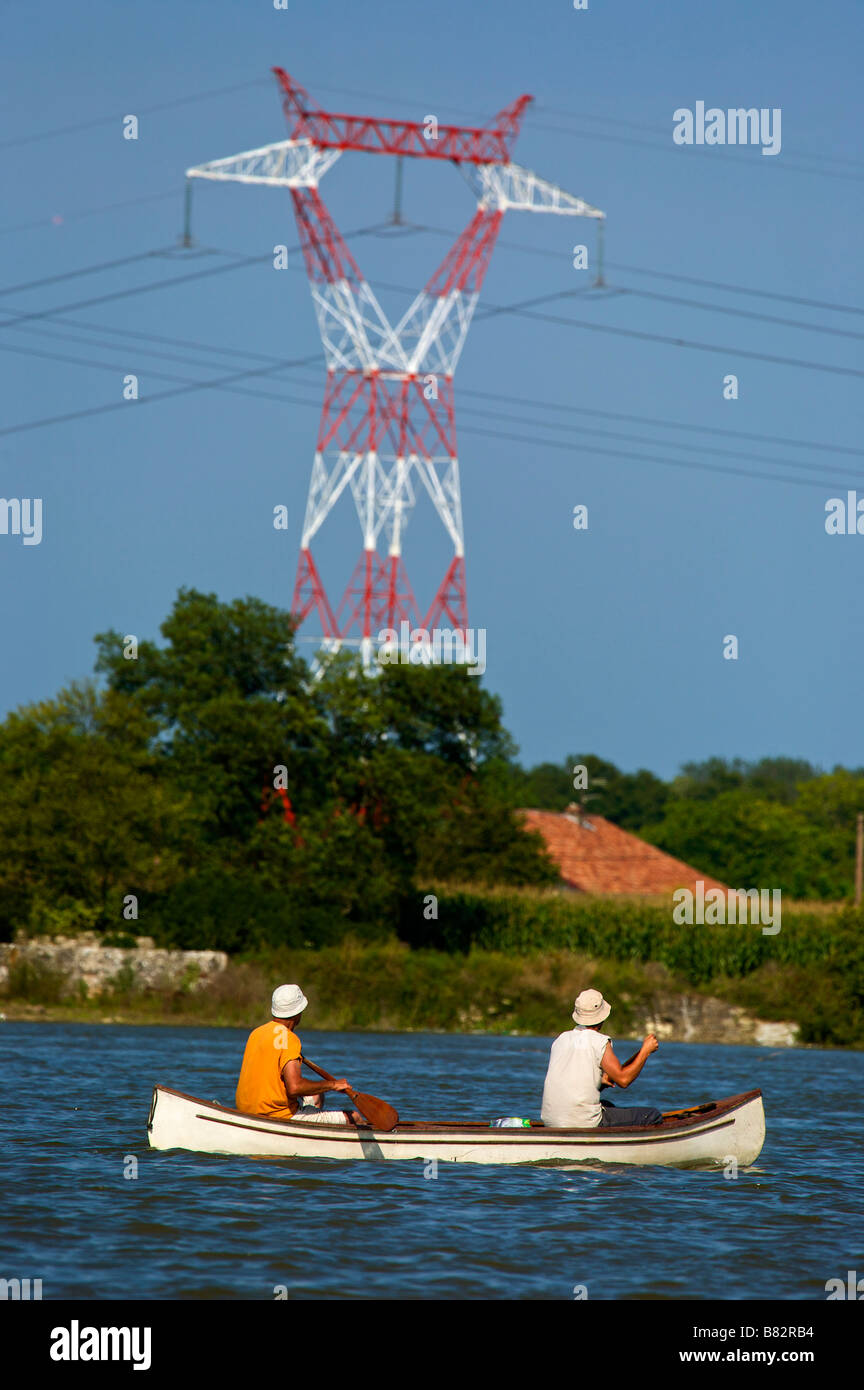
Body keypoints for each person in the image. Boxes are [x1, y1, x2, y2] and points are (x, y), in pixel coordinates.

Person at [235, 984, 365, 1125]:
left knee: (316, 1095)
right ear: (298, 1012)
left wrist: (325, 1087)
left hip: (247, 1111)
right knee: (355, 1117)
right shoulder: (290, 1039)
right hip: (279, 1115)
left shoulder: (256, 1033)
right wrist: (333, 1085)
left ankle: (314, 1126)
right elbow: (295, 1087)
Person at [541, 988, 663, 1128]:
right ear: (602, 1017)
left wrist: (600, 1082)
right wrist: (646, 1052)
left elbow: (573, 1080)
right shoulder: (599, 1041)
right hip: (582, 1122)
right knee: (653, 1115)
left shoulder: (561, 1039)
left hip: (551, 1120)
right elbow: (624, 1080)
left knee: (607, 1105)